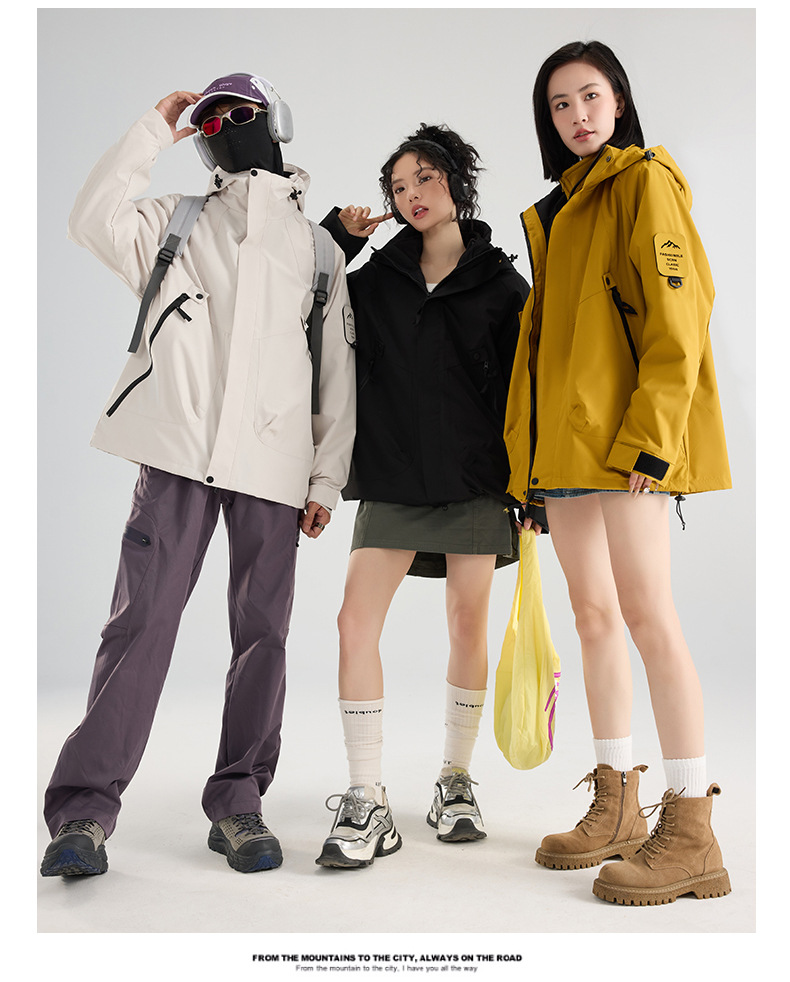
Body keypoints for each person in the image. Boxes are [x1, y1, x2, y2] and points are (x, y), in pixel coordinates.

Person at [40, 74, 356, 877]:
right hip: (177, 455)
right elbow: (89, 218)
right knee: (140, 624)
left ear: (276, 123)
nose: (225, 128)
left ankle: (239, 802)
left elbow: (335, 375)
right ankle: (83, 813)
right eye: (211, 121)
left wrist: (325, 481)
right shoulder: (174, 221)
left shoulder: (317, 249)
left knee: (264, 636)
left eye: (241, 114)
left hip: (273, 465)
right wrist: (154, 127)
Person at [504, 41, 732, 905]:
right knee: (594, 618)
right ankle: (617, 803)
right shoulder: (561, 209)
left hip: (627, 447)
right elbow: (546, 352)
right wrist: (529, 469)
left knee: (647, 616)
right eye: (560, 105)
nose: (577, 116)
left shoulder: (644, 183)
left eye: (590, 96)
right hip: (565, 453)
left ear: (620, 100)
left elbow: (681, 315)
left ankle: (693, 830)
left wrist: (652, 439)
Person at [313, 124, 530, 869]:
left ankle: (455, 779)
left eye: (425, 179)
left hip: (476, 480)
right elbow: (307, 305)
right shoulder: (373, 279)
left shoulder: (503, 286)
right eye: (398, 187)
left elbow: (523, 394)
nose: (411, 195)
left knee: (468, 623)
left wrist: (529, 489)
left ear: (457, 183)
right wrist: (338, 241)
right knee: (353, 623)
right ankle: (366, 795)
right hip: (394, 475)